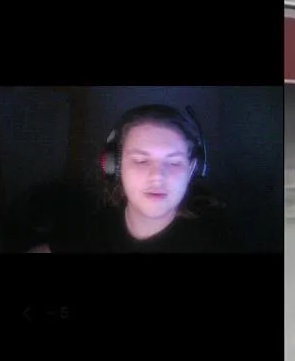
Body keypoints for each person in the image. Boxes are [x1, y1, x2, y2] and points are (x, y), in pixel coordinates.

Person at [29, 104, 236, 253]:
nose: (157, 176)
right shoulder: (95, 226)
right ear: (114, 167)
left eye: (174, 163)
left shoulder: (216, 241)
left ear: (191, 170)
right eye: (141, 161)